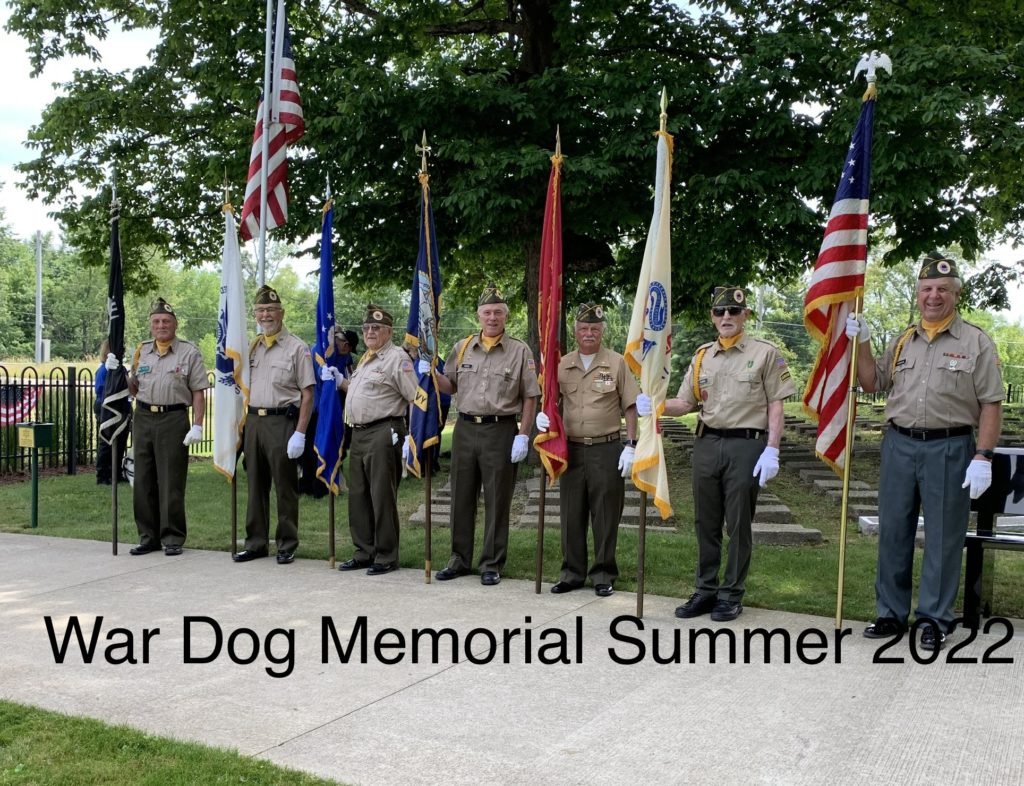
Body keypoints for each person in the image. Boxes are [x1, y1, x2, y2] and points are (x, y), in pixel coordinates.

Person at [846, 250, 1003, 651]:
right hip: (899, 444)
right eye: (927, 289)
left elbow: (991, 402)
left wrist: (982, 455)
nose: (933, 296)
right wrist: (861, 342)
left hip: (949, 447)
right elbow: (870, 383)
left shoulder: (976, 342)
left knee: (943, 537)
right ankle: (890, 614)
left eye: (943, 290)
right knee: (893, 533)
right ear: (918, 294)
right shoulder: (902, 341)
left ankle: (935, 619)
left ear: (956, 294)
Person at [638, 285, 795, 621]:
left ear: (745, 316)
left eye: (734, 312)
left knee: (738, 523)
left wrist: (773, 449)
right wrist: (656, 405)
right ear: (712, 316)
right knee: (705, 521)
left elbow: (776, 404)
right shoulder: (701, 357)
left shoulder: (766, 353)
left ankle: (731, 594)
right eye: (720, 311)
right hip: (707, 444)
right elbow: (686, 403)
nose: (726, 317)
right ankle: (705, 590)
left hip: (746, 445)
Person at [431, 283, 540, 585]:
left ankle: (491, 562)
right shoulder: (463, 347)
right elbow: (450, 386)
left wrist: (524, 435)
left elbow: (530, 395)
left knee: (497, 498)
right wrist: (430, 372)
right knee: (461, 496)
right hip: (465, 429)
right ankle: (458, 559)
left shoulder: (519, 350)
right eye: (487, 312)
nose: (492, 317)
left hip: (500, 430)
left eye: (498, 313)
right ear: (478, 316)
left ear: (506, 316)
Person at [536, 302, 640, 597]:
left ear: (602, 331)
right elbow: (552, 402)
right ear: (575, 331)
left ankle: (603, 573)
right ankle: (572, 573)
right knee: (571, 513)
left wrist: (631, 445)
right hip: (571, 449)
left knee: (605, 514)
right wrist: (544, 420)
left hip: (606, 448)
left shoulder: (617, 363)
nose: (589, 333)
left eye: (595, 328)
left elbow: (630, 406)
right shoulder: (563, 364)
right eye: (584, 328)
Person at [325, 306, 417, 574]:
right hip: (359, 432)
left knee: (381, 496)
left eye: (376, 328)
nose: (370, 332)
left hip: (384, 431)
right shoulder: (367, 358)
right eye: (366, 328)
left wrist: (411, 435)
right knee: (359, 496)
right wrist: (341, 381)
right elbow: (357, 391)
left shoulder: (397, 358)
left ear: (389, 331)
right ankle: (364, 551)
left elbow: (415, 397)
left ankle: (386, 555)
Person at [120, 298, 209, 556]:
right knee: (143, 480)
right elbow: (134, 387)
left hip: (173, 419)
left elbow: (198, 391)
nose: (161, 325)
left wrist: (198, 425)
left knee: (171, 481)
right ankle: (148, 537)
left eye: (166, 321)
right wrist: (123, 376)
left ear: (175, 325)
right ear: (151, 325)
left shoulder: (188, 352)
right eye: (157, 321)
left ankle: (172, 537)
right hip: (144, 417)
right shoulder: (142, 351)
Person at [235, 285, 315, 565]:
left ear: (281, 313)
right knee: (255, 486)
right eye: (260, 311)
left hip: (282, 422)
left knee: (285, 487)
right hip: (254, 422)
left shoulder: (297, 348)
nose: (265, 315)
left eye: (270, 310)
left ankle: (286, 543)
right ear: (255, 315)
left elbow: (307, 394)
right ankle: (256, 543)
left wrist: (300, 433)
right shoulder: (252, 347)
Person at [298, 328, 356, 498]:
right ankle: (310, 482)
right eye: (347, 347)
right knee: (310, 448)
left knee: (331, 444)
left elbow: (345, 376)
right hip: (315, 407)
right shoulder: (319, 350)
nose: (347, 352)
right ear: (344, 344)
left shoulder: (344, 356)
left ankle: (324, 481)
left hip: (332, 408)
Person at [94, 338, 129, 485]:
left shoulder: (122, 369)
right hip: (107, 408)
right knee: (107, 441)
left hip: (122, 407)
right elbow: (99, 390)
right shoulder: (103, 370)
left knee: (121, 441)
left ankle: (116, 472)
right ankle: (103, 474)